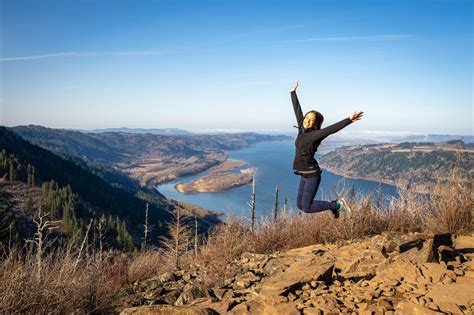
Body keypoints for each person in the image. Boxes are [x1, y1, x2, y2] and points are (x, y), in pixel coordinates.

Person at [290, 81, 363, 218]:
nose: (307, 120)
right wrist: (293, 93)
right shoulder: (302, 130)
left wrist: (349, 120)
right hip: (303, 174)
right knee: (300, 205)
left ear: (316, 123)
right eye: (307, 117)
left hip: (312, 175)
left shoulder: (315, 135)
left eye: (311, 120)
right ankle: (335, 207)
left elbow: (332, 129)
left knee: (307, 207)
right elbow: (298, 111)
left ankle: (337, 205)